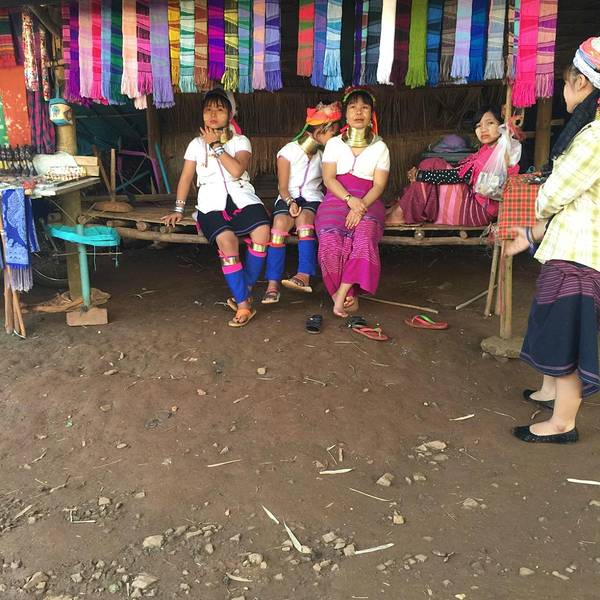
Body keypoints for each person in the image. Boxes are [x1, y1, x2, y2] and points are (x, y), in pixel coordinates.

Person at [506, 36, 600, 444]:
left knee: (566, 335)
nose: (563, 91)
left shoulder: (595, 136)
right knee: (553, 323)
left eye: (565, 82)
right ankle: (550, 392)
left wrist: (540, 204)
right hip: (573, 249)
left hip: (581, 257)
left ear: (581, 83)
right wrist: (531, 234)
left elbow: (553, 196)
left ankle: (563, 423)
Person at [162, 88, 270, 327]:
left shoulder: (241, 141)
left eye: (220, 110)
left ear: (230, 114)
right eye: (208, 109)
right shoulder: (195, 145)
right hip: (211, 202)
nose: (213, 115)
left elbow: (237, 170)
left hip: (242, 196)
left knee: (263, 232)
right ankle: (243, 305)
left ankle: (243, 288)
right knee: (227, 241)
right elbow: (186, 178)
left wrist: (217, 146)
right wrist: (178, 209)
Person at [315, 87, 390, 318]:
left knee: (364, 236)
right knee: (329, 239)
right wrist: (349, 200)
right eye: (353, 107)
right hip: (337, 197)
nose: (359, 112)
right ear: (345, 115)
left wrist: (360, 206)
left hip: (369, 200)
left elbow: (379, 185)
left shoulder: (380, 147)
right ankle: (347, 297)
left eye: (364, 107)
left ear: (371, 114)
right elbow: (328, 179)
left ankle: (342, 295)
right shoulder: (334, 144)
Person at [385, 106, 520, 226]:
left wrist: (421, 175)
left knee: (430, 165)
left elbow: (458, 176)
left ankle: (400, 213)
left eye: (490, 123)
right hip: (473, 200)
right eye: (478, 125)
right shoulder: (487, 149)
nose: (483, 129)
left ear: (501, 126)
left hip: (478, 211)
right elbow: (461, 170)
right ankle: (402, 207)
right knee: (433, 163)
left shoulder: (501, 152)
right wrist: (422, 175)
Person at [262, 101, 341, 304]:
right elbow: (282, 187)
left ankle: (304, 275)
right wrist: (290, 202)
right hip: (287, 197)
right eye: (332, 132)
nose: (335, 137)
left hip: (312, 198)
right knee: (279, 226)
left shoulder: (324, 155)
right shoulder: (287, 152)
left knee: (304, 221)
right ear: (321, 130)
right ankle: (272, 284)